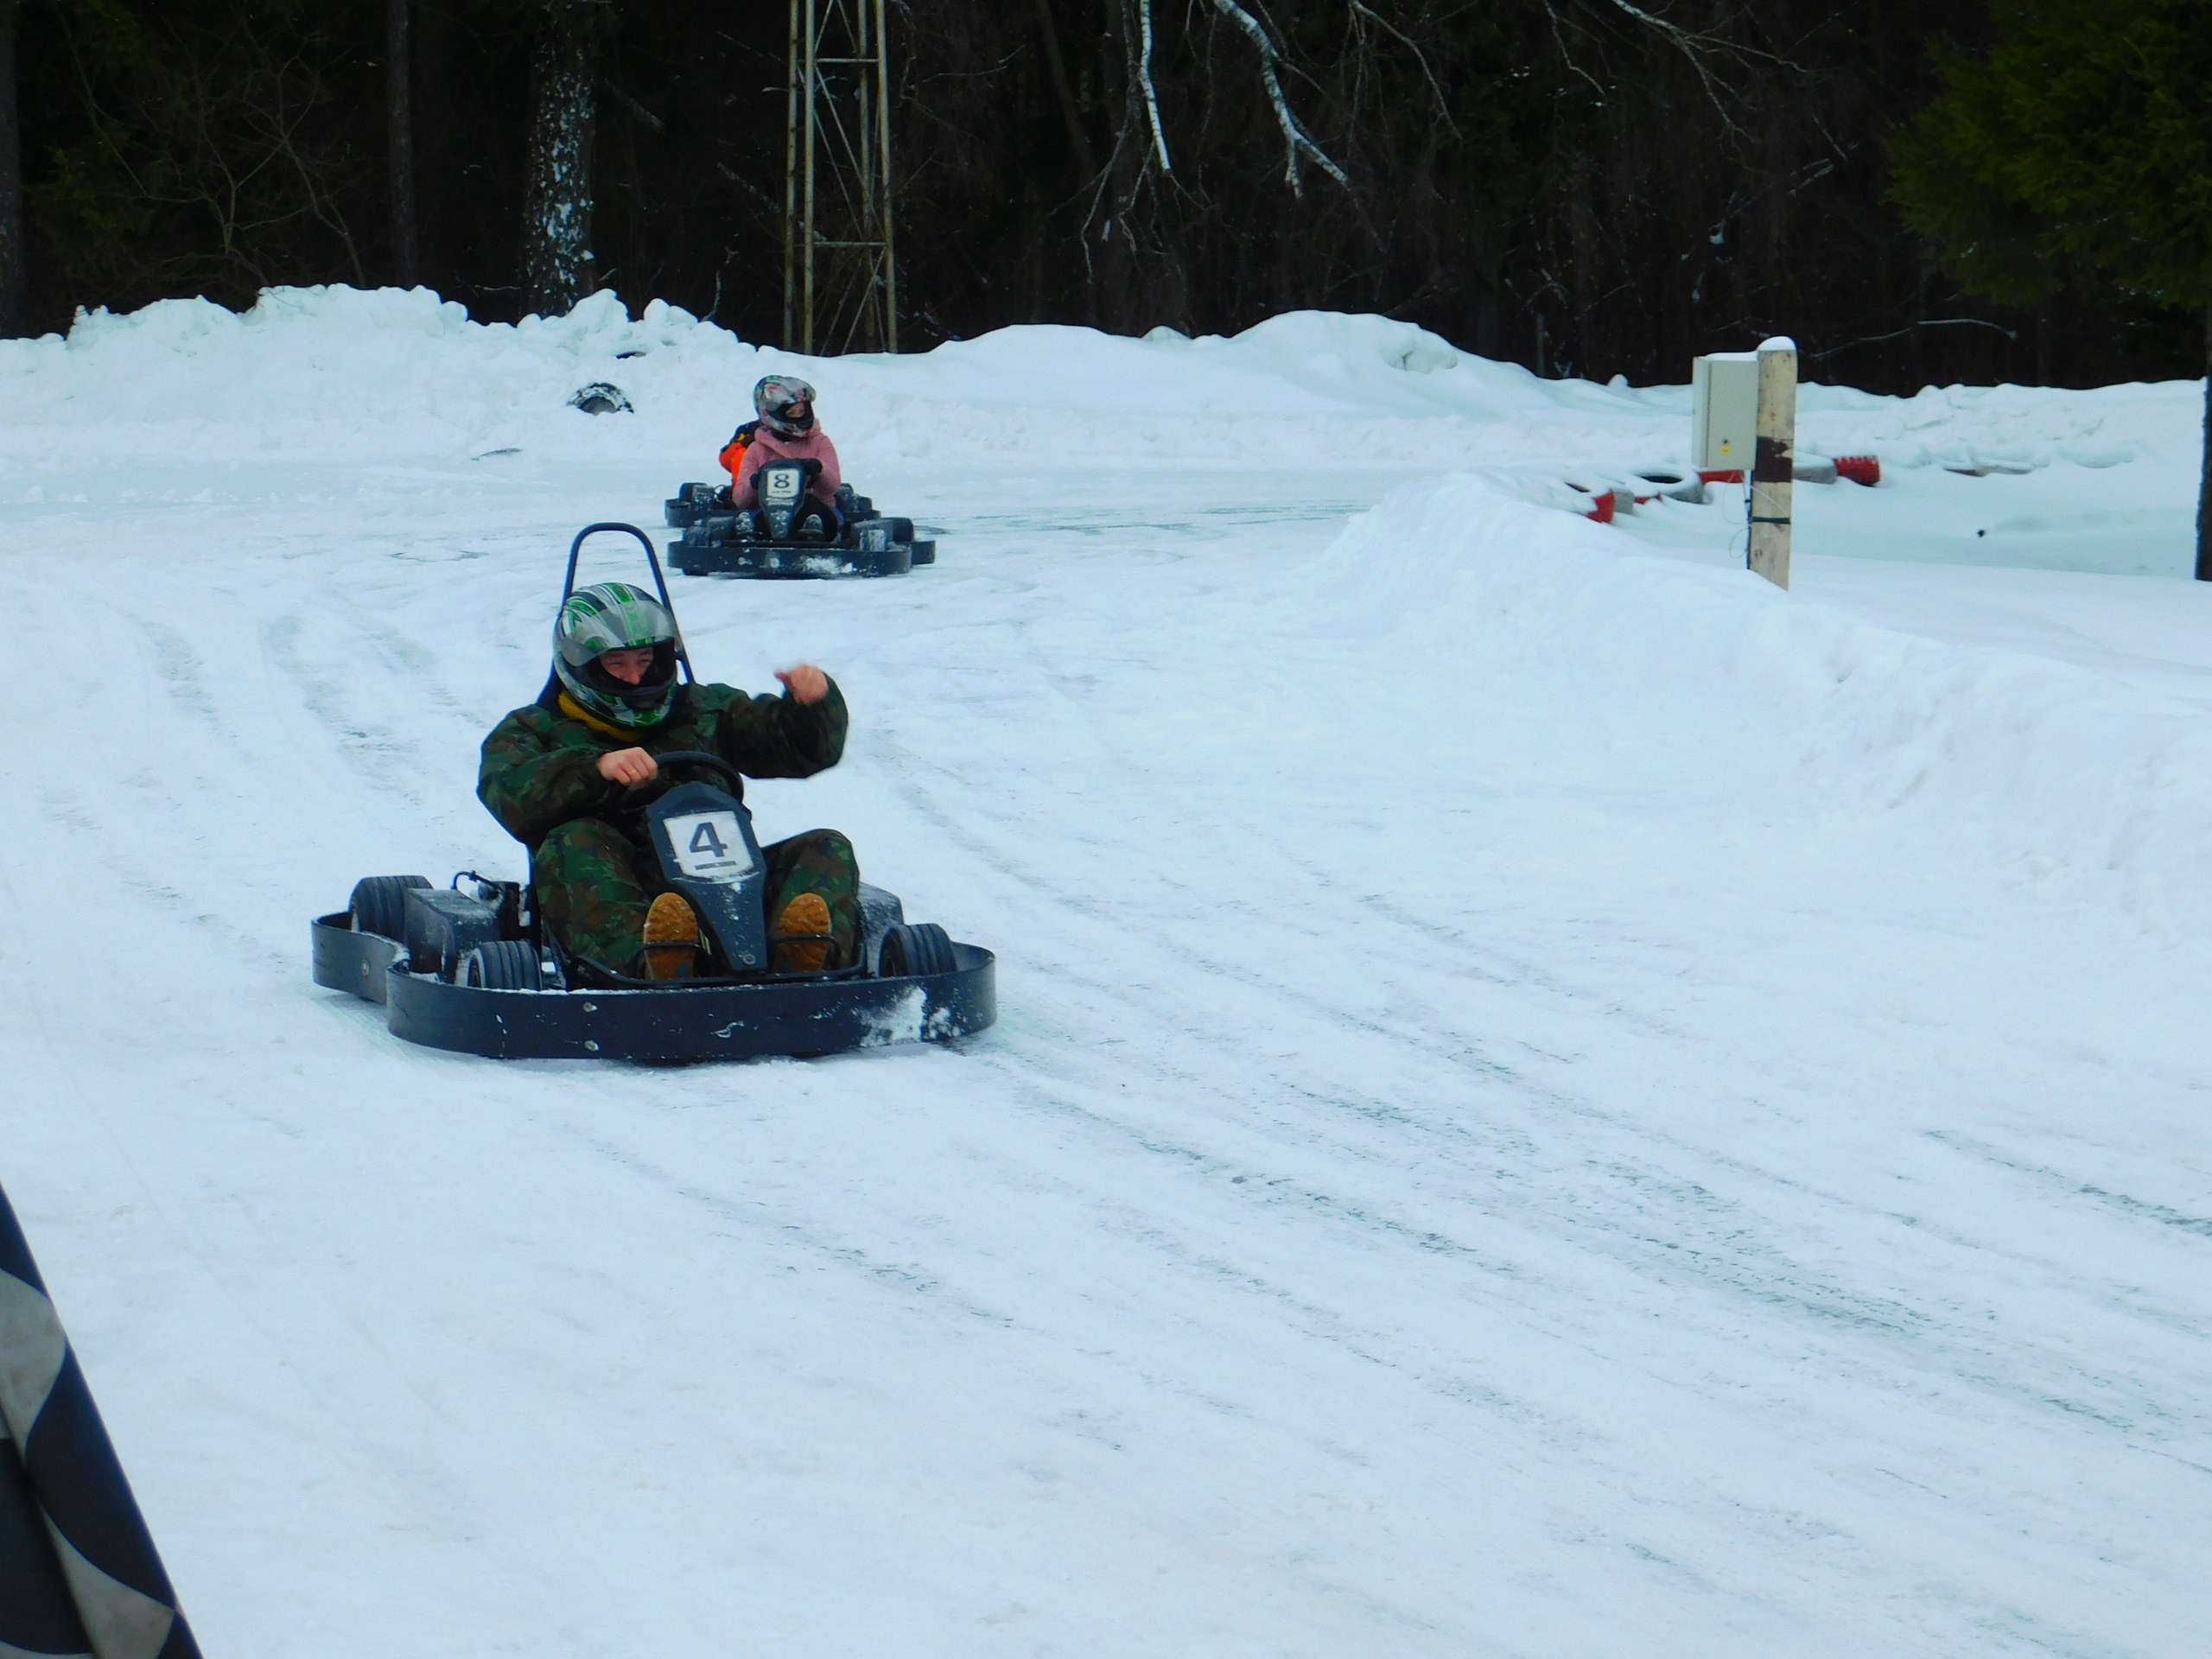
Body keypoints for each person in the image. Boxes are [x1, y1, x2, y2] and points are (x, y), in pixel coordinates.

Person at [477, 581, 859, 980]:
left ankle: (804, 960)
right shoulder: (533, 729)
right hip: (621, 877)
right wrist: (596, 769)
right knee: (574, 840)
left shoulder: (705, 709)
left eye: (645, 661)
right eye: (616, 664)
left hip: (728, 877)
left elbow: (801, 750)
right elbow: (509, 791)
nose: (635, 678)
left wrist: (812, 706)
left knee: (826, 846)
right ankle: (652, 963)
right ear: (582, 666)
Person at [729, 373, 843, 531]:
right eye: (791, 412)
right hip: (769, 514)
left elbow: (833, 486)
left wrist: (819, 469)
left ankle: (812, 529)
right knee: (753, 517)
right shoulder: (757, 449)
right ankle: (751, 537)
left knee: (811, 505)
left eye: (801, 411)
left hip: (817, 512)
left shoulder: (820, 442)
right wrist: (755, 482)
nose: (798, 416)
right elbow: (740, 500)